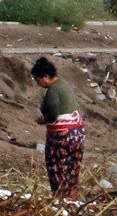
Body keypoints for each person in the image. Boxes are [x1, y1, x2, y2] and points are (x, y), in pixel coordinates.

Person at [31, 57, 85, 199]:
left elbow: (53, 114)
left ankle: (61, 199)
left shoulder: (52, 91)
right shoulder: (65, 85)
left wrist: (44, 119)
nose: (39, 84)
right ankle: (73, 198)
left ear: (46, 77)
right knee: (72, 169)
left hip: (62, 136)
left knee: (58, 168)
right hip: (77, 132)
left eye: (38, 80)